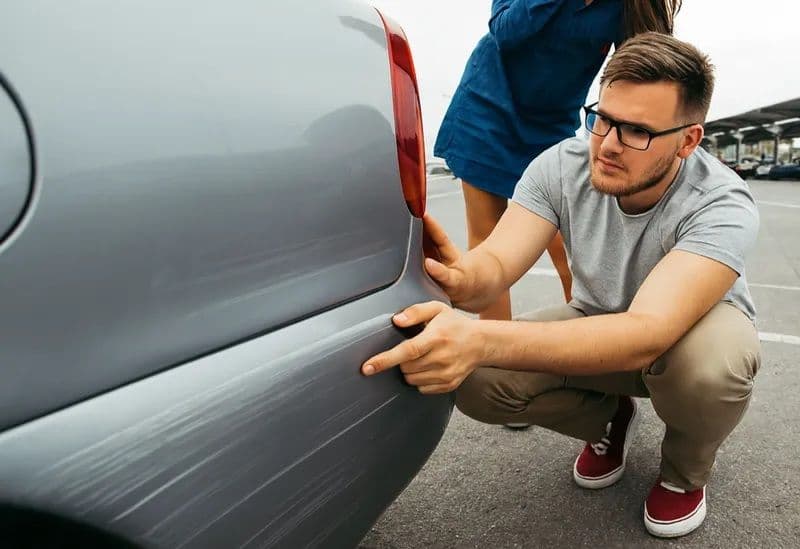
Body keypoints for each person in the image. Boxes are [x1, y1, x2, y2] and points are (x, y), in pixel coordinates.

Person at [362, 33, 760, 538]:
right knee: (478, 380)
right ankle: (609, 419)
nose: (609, 145)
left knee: (711, 370)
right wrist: (457, 278)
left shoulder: (721, 202)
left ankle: (684, 472)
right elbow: (497, 266)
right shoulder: (561, 165)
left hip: (686, 337)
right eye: (603, 119)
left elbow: (649, 330)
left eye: (638, 131)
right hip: (596, 322)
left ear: (687, 140)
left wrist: (479, 336)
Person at [435, 0, 682, 319]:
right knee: (488, 240)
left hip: (552, 127)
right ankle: (494, 359)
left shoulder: (627, 7)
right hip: (488, 110)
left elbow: (638, 69)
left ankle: (589, 349)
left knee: (573, 251)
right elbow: (506, 32)